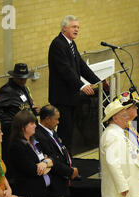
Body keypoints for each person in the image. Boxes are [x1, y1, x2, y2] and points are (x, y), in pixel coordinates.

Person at [48, 15, 102, 151]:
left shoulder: (71, 43)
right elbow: (65, 70)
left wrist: (98, 81)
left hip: (71, 98)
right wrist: (82, 85)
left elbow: (81, 66)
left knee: (70, 133)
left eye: (78, 27)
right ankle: (64, 163)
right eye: (74, 27)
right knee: (64, 133)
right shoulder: (58, 44)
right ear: (64, 28)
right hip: (62, 98)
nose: (77, 29)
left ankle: (69, 161)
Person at [0, 63, 40, 168]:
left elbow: (25, 106)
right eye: (20, 78)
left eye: (25, 78)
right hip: (13, 133)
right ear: (14, 77)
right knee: (13, 161)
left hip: (26, 130)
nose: (23, 81)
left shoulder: (23, 87)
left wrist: (34, 111)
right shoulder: (7, 90)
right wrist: (10, 122)